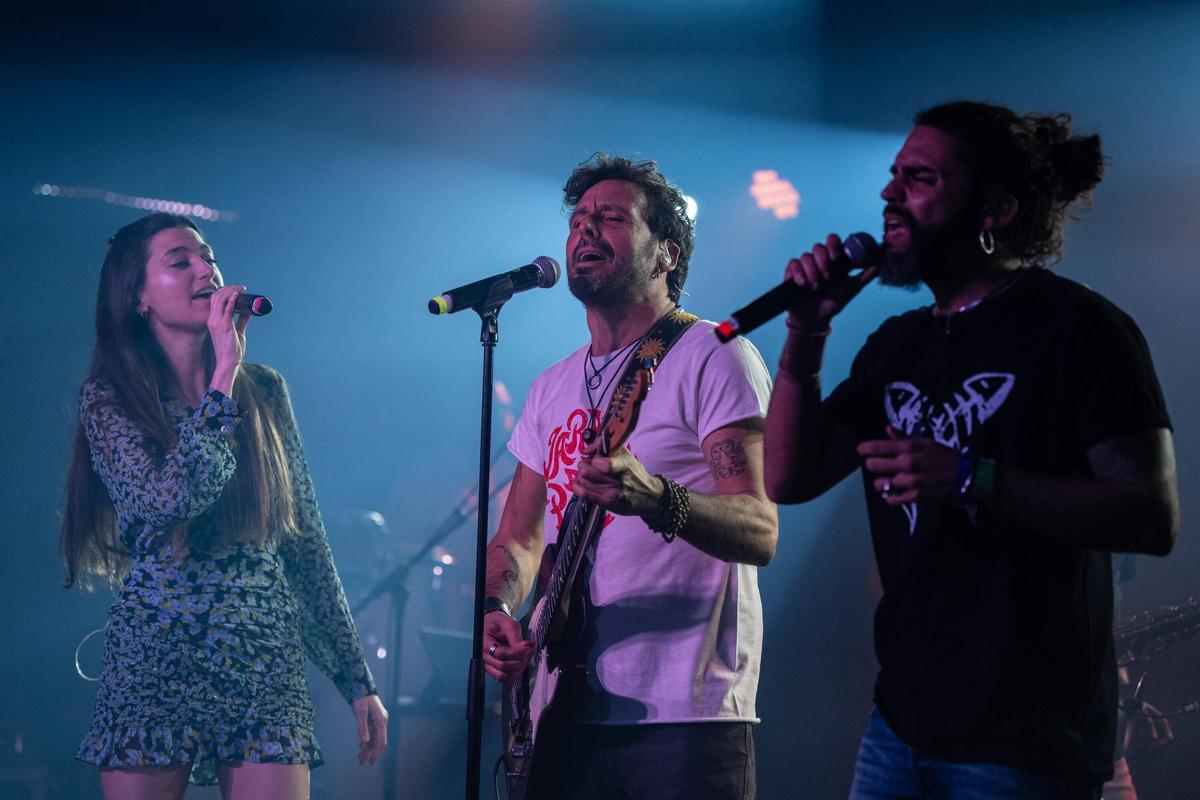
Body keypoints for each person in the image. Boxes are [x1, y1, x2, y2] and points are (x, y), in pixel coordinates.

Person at [762, 101, 1179, 799]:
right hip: (899, 726)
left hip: (1024, 740)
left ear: (995, 211)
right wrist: (805, 335)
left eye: (919, 178)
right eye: (894, 176)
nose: (890, 196)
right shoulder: (897, 344)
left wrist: (972, 478)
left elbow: (1151, 515)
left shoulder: (1081, 329)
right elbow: (788, 478)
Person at [61, 213, 388, 800]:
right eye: (179, 261)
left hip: (263, 657)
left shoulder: (264, 391)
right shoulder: (111, 397)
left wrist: (355, 678)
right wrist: (222, 377)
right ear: (138, 298)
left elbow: (304, 541)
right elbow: (170, 499)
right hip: (157, 659)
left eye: (207, 256)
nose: (205, 269)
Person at [481, 155, 778, 799]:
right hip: (561, 712)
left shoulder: (713, 353)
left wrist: (657, 498)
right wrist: (499, 608)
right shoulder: (551, 386)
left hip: (682, 717)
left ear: (666, 253)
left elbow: (760, 529)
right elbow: (520, 538)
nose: (587, 231)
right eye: (580, 219)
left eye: (612, 218)